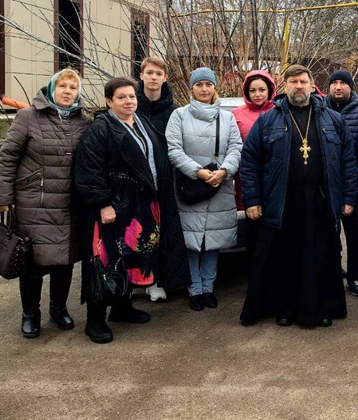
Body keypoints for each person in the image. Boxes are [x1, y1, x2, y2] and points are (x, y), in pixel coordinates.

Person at [239, 64, 357, 327]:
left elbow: (347, 162)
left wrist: (348, 198)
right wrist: (253, 200)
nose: (298, 86)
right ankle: (285, 309)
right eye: (293, 82)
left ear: (311, 84)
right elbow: (250, 161)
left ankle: (321, 308)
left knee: (320, 257)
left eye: (303, 81)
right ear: (285, 87)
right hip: (282, 201)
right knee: (285, 257)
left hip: (320, 200)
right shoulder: (269, 119)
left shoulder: (332, 118)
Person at [74, 77, 188, 344]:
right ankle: (95, 320)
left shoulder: (141, 123)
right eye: (122, 97)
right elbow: (89, 171)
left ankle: (122, 308)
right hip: (113, 208)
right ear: (108, 101)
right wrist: (103, 203)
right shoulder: (100, 130)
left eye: (132, 97)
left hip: (139, 207)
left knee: (131, 260)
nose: (129, 101)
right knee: (104, 261)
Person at [0, 69, 90, 338]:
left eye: (73, 87)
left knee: (65, 262)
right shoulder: (28, 117)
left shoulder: (83, 121)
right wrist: (3, 197)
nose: (68, 91)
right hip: (34, 203)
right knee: (33, 263)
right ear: (51, 89)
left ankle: (58, 309)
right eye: (62, 86)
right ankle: (30, 313)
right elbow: (7, 159)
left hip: (69, 204)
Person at [166, 68, 243, 311]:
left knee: (212, 241)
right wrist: (198, 172)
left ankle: (209, 288)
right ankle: (194, 289)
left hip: (219, 185)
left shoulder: (227, 118)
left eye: (208, 84)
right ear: (191, 88)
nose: (204, 89)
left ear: (214, 88)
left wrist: (224, 171)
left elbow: (236, 148)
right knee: (191, 241)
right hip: (191, 186)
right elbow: (174, 150)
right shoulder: (178, 115)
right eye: (199, 84)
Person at [136, 56, 179, 301]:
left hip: (164, 181)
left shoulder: (174, 111)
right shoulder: (131, 105)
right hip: (134, 182)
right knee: (134, 233)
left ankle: (156, 281)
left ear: (165, 78)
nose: (153, 77)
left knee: (160, 233)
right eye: (149, 73)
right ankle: (132, 281)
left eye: (158, 74)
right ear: (141, 76)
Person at [325, 69, 358, 297]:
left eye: (343, 83)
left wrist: (356, 172)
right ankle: (334, 270)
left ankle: (355, 276)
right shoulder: (320, 112)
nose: (338, 87)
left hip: (353, 183)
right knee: (329, 232)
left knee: (354, 233)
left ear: (351, 87)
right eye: (334, 83)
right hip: (326, 185)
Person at [232, 70, 277, 257]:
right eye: (253, 90)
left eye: (262, 89)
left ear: (270, 90)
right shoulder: (236, 114)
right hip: (247, 180)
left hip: (274, 178)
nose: (257, 94)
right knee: (252, 228)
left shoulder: (279, 111)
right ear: (246, 92)